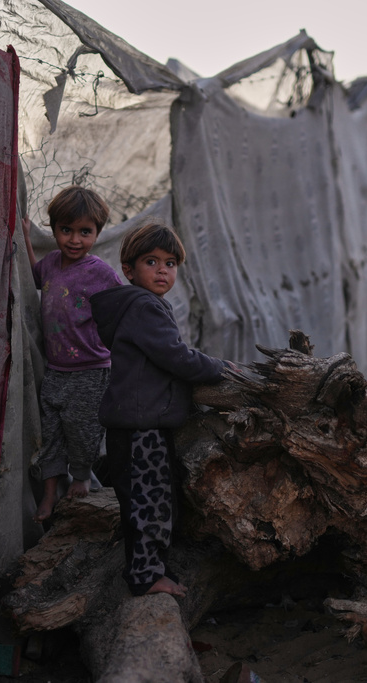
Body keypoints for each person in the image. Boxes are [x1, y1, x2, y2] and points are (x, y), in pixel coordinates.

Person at [90, 223, 234, 597]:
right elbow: (176, 356)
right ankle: (146, 576)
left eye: (170, 263)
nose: (162, 271)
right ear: (128, 269)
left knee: (145, 499)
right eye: (151, 262)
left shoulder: (139, 306)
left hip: (136, 423)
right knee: (149, 503)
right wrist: (219, 368)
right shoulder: (143, 308)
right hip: (141, 427)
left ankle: (150, 567)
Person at [21, 185, 122, 523]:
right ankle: (49, 493)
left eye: (85, 232)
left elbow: (121, 309)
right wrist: (23, 240)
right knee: (51, 433)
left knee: (83, 431)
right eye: (66, 230)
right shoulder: (50, 263)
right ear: (54, 230)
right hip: (56, 369)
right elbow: (32, 278)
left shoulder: (101, 273)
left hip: (91, 370)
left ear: (97, 233)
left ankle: (80, 479)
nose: (75, 239)